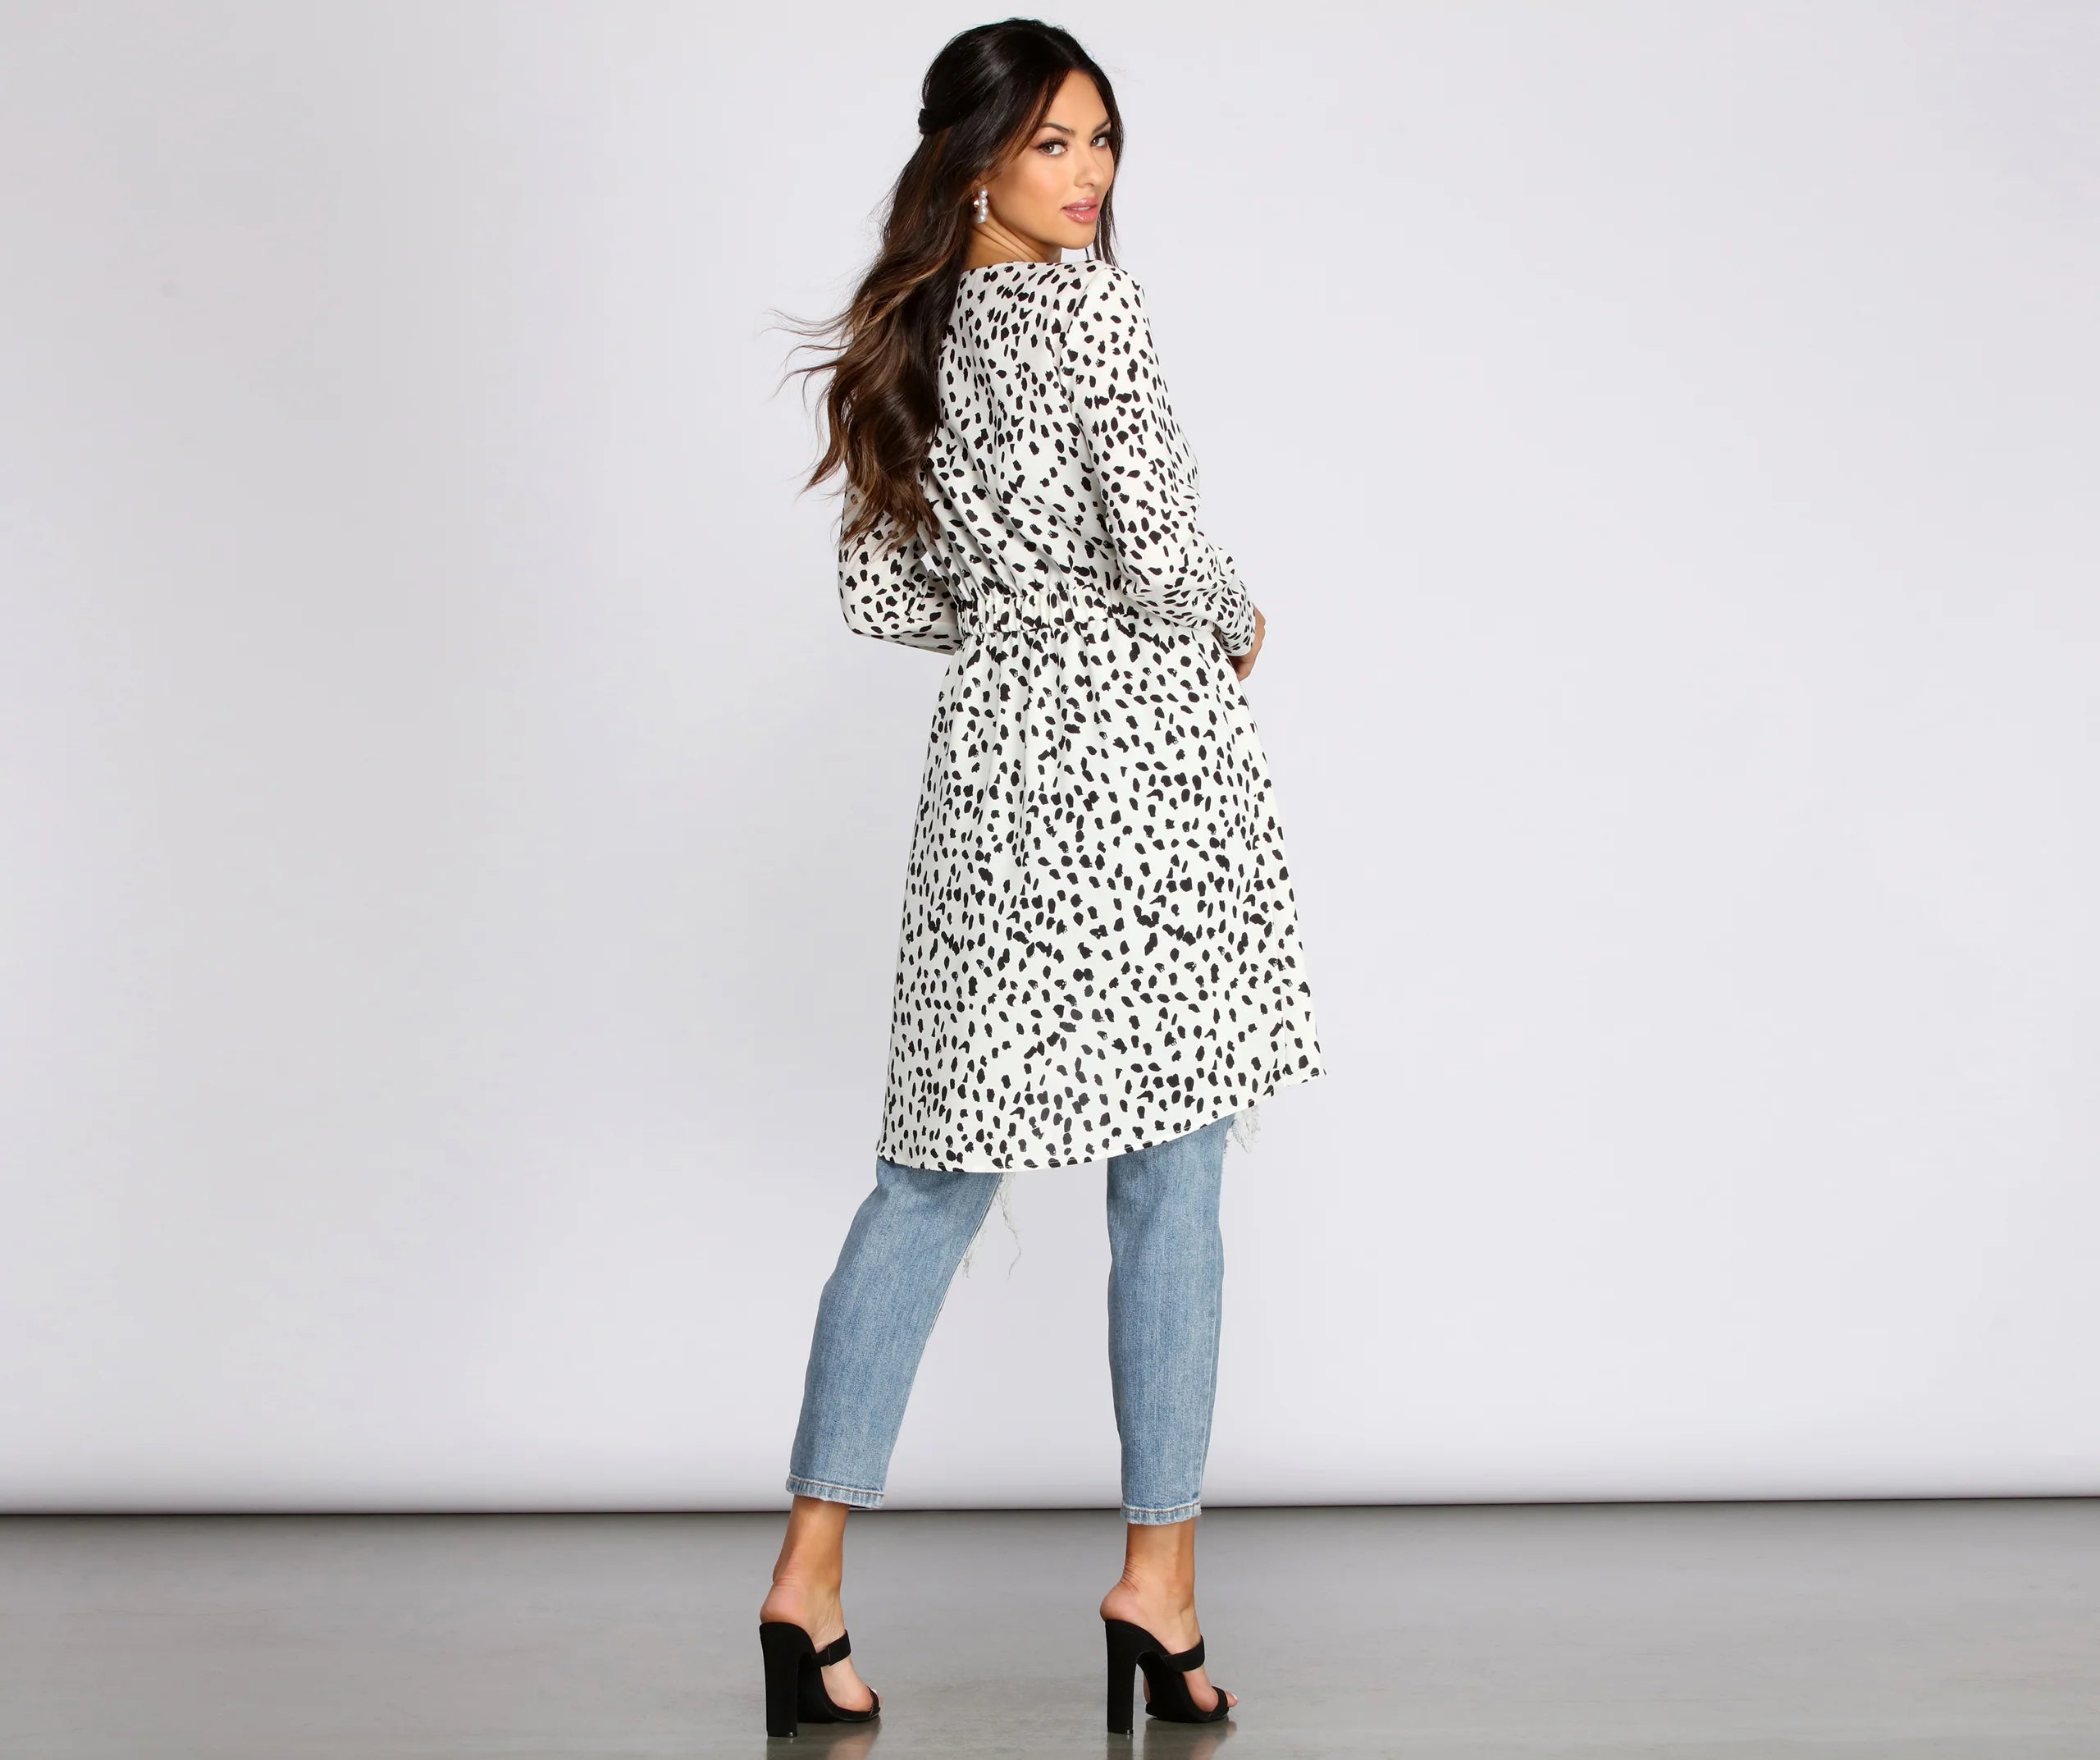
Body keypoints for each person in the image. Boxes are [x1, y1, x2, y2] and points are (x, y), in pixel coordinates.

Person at [758, 19, 1326, 1739]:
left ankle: (806, 1577)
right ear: (977, 159)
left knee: (929, 1177)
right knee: (1174, 1174)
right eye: (1053, 142)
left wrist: (1022, 615)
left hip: (995, 771)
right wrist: (1232, 615)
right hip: (1142, 773)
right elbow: (1157, 550)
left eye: (1102, 140)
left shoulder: (916, 327)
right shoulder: (1092, 311)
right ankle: (1157, 1583)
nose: (1087, 175)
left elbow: (883, 595)